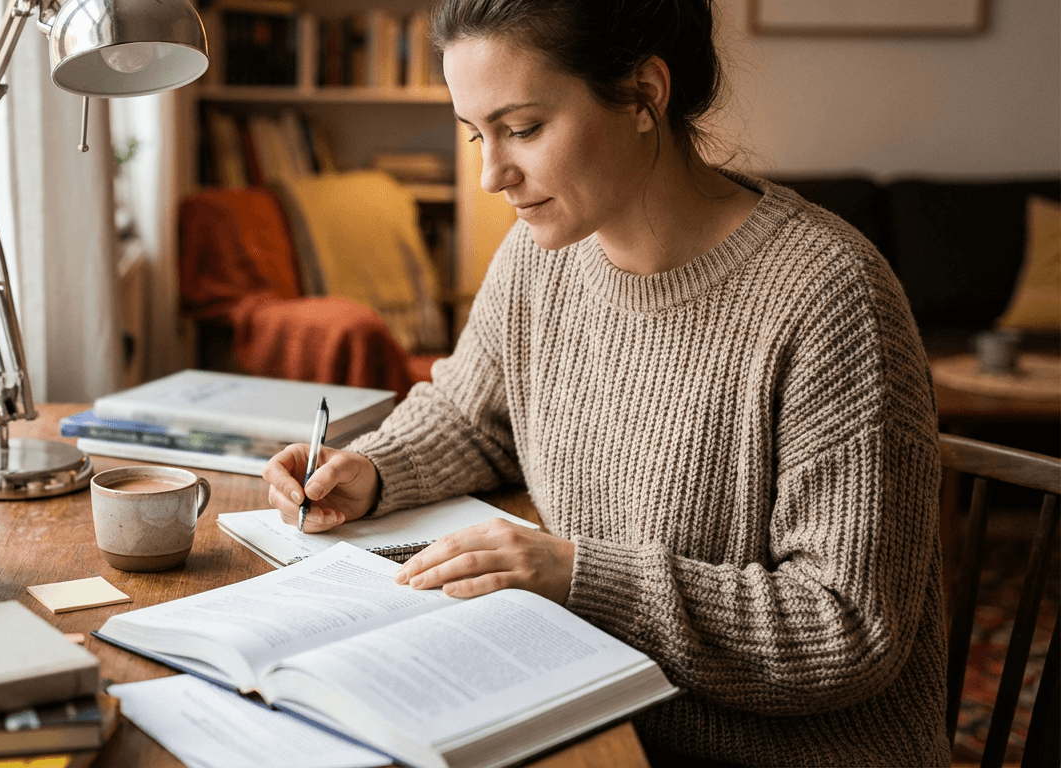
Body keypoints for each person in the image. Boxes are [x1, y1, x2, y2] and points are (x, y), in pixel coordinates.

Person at [261, 0, 949, 765]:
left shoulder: (829, 295)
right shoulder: (538, 258)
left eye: (523, 129)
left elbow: (845, 628)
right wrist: (374, 470)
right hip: (596, 713)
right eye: (477, 134)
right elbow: (471, 413)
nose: (491, 175)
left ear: (643, 95)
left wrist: (579, 576)